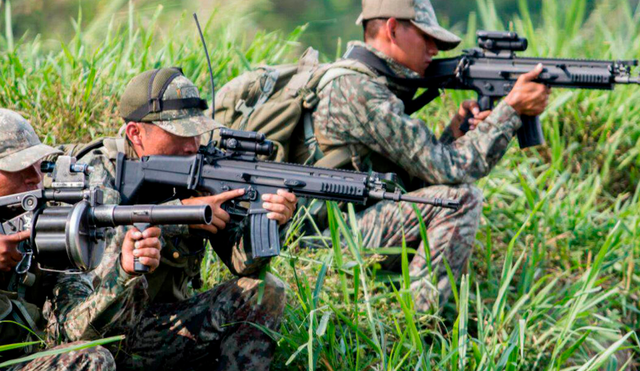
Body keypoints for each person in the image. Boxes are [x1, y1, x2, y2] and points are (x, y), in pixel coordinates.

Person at [289, 0, 551, 312]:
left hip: (341, 223)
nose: (435, 50)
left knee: (449, 196)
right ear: (393, 29)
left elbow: (413, 175)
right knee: (459, 201)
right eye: (426, 38)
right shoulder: (358, 89)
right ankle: (416, 323)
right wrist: (510, 111)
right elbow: (452, 170)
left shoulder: (367, 81)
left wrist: (455, 133)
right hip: (321, 239)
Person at [45, 68, 297, 370]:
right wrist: (180, 214)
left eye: (195, 131)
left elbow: (243, 263)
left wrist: (272, 218)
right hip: (98, 338)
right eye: (178, 133)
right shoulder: (95, 175)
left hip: (162, 328)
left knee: (264, 291)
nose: (191, 144)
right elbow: (95, 270)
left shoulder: (197, 169)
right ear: (135, 133)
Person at [0, 108, 131, 371]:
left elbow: (74, 330)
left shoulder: (46, 226)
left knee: (92, 358)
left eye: (37, 164)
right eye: (18, 167)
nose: (34, 177)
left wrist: (123, 274)